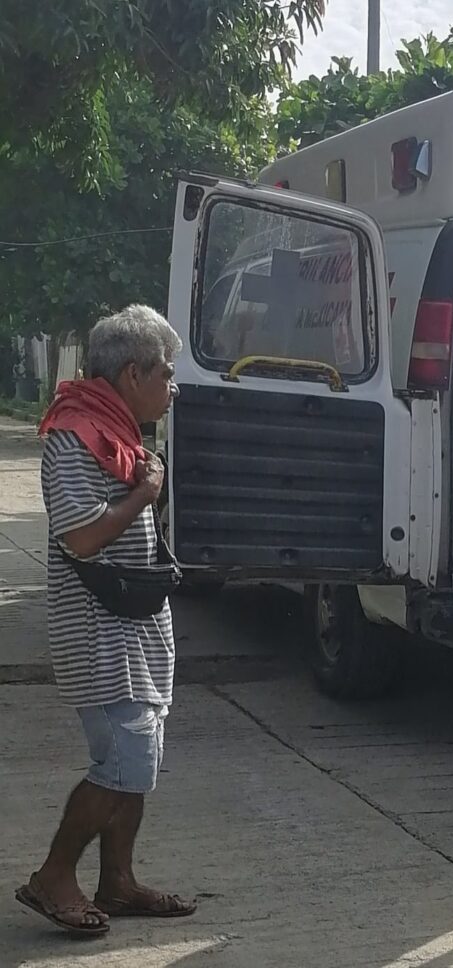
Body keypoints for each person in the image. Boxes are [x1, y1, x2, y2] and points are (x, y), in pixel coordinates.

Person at [16, 306, 195, 938]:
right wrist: (144, 495)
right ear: (130, 371)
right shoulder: (75, 434)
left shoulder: (117, 431)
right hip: (98, 631)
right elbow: (81, 537)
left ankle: (116, 880)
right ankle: (53, 875)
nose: (173, 386)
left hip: (134, 628)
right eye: (166, 373)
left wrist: (147, 490)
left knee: (137, 759)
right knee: (123, 762)